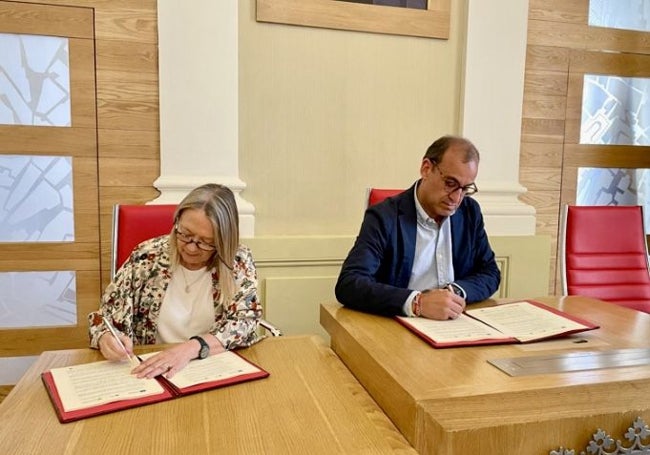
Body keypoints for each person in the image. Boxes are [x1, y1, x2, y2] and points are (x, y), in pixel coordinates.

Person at [88, 183, 262, 379]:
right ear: (176, 222)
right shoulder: (147, 256)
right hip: (152, 370)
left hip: (212, 369)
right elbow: (104, 319)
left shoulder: (237, 261)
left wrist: (188, 349)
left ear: (223, 240)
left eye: (206, 242)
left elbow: (245, 322)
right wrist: (105, 337)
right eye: (185, 234)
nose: (191, 248)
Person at [335, 135, 500, 320]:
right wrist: (417, 302)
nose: (457, 198)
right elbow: (349, 283)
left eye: (465, 188)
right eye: (450, 184)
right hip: (399, 326)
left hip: (455, 324)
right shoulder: (384, 216)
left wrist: (453, 292)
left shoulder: (469, 212)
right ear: (426, 168)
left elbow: (490, 272)